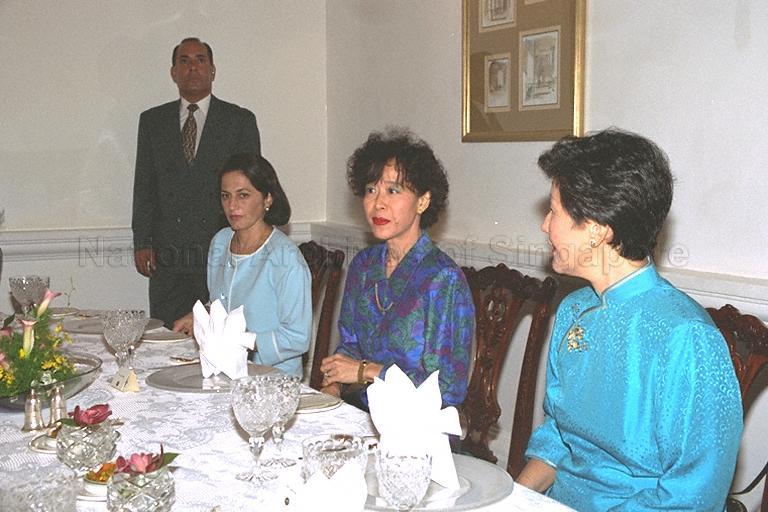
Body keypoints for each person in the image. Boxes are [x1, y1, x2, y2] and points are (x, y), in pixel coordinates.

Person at [517, 128, 743, 511]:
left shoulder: (686, 338)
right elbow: (556, 437)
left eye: (553, 211)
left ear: (596, 230)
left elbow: (694, 497)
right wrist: (510, 500)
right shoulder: (573, 310)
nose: (544, 225)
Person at [320, 128, 474, 410]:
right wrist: (333, 384)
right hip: (364, 415)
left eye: (393, 190)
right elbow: (350, 345)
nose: (378, 203)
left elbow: (448, 388)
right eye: (371, 190)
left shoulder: (443, 279)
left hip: (419, 429)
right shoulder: (364, 265)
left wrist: (367, 371)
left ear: (423, 201)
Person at [132, 37, 261, 327]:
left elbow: (251, 189)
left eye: (200, 60)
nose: (193, 67)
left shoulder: (238, 121)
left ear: (212, 70)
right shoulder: (153, 121)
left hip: (221, 252)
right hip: (168, 255)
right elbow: (144, 186)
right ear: (173, 72)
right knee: (165, 337)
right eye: (185, 61)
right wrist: (142, 241)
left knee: (218, 337)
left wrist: (246, 245)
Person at [173, 153, 311, 377]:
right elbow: (220, 303)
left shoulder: (285, 258)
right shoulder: (220, 241)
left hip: (271, 379)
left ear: (267, 199)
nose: (232, 206)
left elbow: (297, 338)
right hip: (223, 370)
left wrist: (240, 342)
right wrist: (199, 315)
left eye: (243, 195)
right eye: (225, 196)